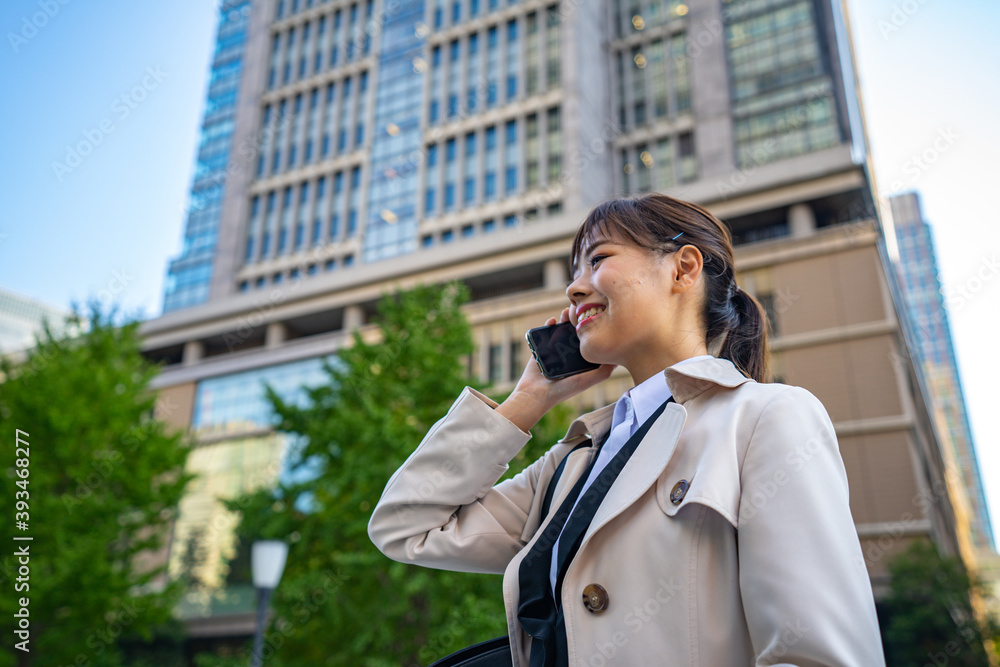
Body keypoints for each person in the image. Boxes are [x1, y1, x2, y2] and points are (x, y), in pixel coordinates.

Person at [368, 193, 886, 666]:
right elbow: (405, 526)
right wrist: (530, 398)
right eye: (575, 271)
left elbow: (819, 655)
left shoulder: (764, 416)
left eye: (598, 259)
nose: (574, 287)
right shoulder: (572, 465)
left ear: (683, 269)